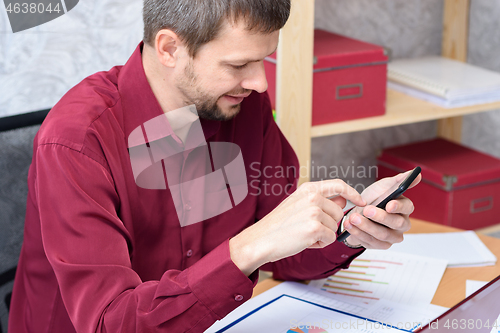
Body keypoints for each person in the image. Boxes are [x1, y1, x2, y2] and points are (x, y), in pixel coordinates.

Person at [9, 0, 420, 332]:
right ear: (170, 48)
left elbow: (284, 255)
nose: (260, 82)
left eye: (265, 60)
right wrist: (249, 246)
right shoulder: (78, 142)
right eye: (238, 65)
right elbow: (110, 324)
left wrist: (348, 228)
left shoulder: (241, 106)